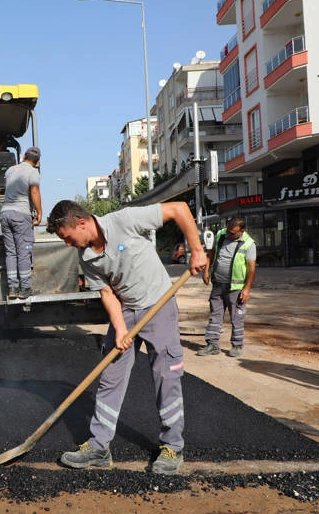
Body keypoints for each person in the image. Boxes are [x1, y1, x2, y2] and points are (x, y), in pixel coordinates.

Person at [45, 200, 206, 475]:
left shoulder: (125, 220)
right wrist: (119, 329)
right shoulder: (86, 257)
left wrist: (197, 250)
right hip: (126, 311)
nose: (68, 245)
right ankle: (99, 447)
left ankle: (172, 447)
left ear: (81, 223)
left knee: (166, 376)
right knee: (110, 377)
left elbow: (179, 209)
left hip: (159, 303)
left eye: (68, 238)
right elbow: (107, 293)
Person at [198, 217, 256, 358]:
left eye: (233, 233)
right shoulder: (221, 235)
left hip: (235, 287)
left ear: (242, 231)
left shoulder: (248, 244)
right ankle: (212, 345)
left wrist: (246, 289)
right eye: (228, 231)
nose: (229, 235)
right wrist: (206, 270)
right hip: (218, 283)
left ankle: (237, 345)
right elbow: (211, 253)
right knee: (215, 315)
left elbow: (252, 269)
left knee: (236, 317)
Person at [1, 146, 42, 300]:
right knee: (23, 252)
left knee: (11, 253)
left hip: (5, 214)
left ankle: (12, 288)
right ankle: (25, 288)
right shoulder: (33, 172)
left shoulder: (10, 170)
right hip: (21, 215)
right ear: (37, 162)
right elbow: (34, 191)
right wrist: (39, 213)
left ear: (24, 155)